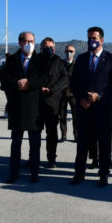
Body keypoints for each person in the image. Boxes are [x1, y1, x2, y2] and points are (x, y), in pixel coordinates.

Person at [70, 26, 112, 187]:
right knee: (82, 143)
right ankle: (79, 173)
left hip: (103, 108)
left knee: (104, 143)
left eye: (94, 38)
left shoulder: (111, 59)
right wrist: (80, 99)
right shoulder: (81, 59)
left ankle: (103, 174)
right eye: (89, 38)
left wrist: (99, 95)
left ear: (102, 40)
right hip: (84, 108)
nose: (91, 41)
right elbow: (74, 82)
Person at [0, 31, 48, 183]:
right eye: (26, 41)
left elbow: (45, 78)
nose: (29, 44)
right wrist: (17, 83)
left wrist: (29, 83)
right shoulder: (11, 59)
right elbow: (3, 78)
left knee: (35, 143)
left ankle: (34, 173)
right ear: (20, 42)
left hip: (34, 107)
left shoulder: (41, 59)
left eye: (32, 41)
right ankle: (13, 173)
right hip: (17, 107)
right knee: (16, 142)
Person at [39, 37, 69, 168]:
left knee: (51, 133)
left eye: (51, 47)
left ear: (55, 49)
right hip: (37, 101)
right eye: (46, 48)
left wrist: (53, 89)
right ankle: (33, 157)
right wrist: (38, 87)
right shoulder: (36, 60)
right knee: (34, 133)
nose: (49, 50)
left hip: (53, 101)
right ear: (41, 49)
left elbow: (65, 78)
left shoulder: (58, 61)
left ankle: (51, 158)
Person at [59, 44, 77, 142]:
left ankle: (76, 135)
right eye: (67, 51)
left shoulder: (77, 64)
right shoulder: (61, 64)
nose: (68, 53)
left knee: (76, 116)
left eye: (70, 51)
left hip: (73, 94)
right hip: (62, 93)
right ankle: (63, 135)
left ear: (74, 53)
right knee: (62, 115)